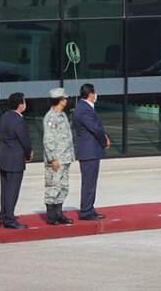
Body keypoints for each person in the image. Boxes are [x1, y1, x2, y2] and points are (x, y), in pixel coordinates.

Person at [73, 83, 111, 221]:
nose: (96, 96)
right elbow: (95, 128)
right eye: (94, 93)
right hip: (89, 151)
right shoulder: (84, 109)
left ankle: (89, 208)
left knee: (91, 182)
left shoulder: (85, 108)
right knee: (88, 182)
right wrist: (104, 139)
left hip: (91, 151)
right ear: (90, 94)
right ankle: (86, 211)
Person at [0, 92, 32, 229]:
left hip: (4, 157)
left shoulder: (5, 117)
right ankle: (9, 218)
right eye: (24, 102)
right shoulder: (18, 120)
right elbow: (25, 139)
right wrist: (28, 153)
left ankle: (4, 215)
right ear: (20, 105)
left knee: (5, 188)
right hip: (15, 158)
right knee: (12, 189)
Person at [43, 87, 75, 225]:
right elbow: (48, 139)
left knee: (63, 186)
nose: (66, 100)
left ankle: (59, 213)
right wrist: (52, 158)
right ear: (59, 100)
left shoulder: (62, 115)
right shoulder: (51, 117)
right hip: (56, 158)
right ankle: (51, 215)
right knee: (53, 186)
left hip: (65, 157)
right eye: (64, 98)